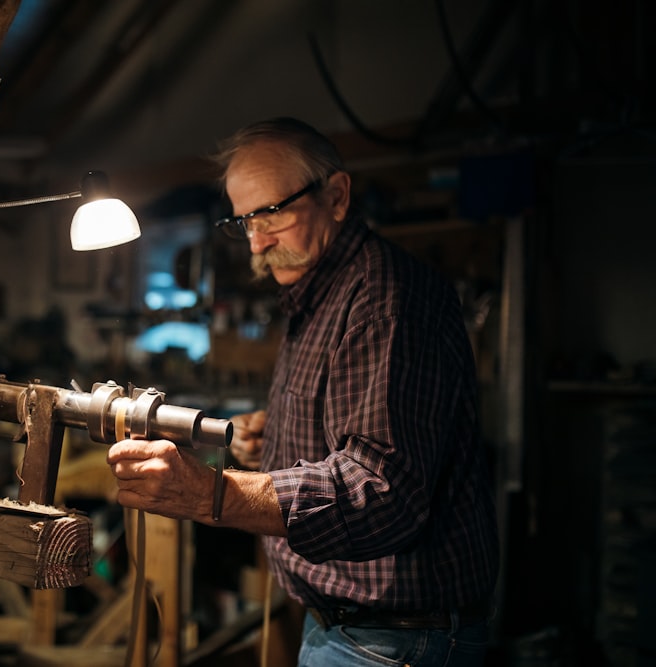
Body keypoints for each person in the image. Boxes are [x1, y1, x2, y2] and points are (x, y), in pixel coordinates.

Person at [107, 117, 499, 666]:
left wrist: (211, 494)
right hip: (348, 631)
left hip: (395, 641)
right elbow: (349, 432)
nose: (257, 242)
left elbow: (382, 490)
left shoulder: (383, 300)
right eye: (244, 221)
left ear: (337, 196)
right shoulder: (319, 295)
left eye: (273, 212)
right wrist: (266, 440)